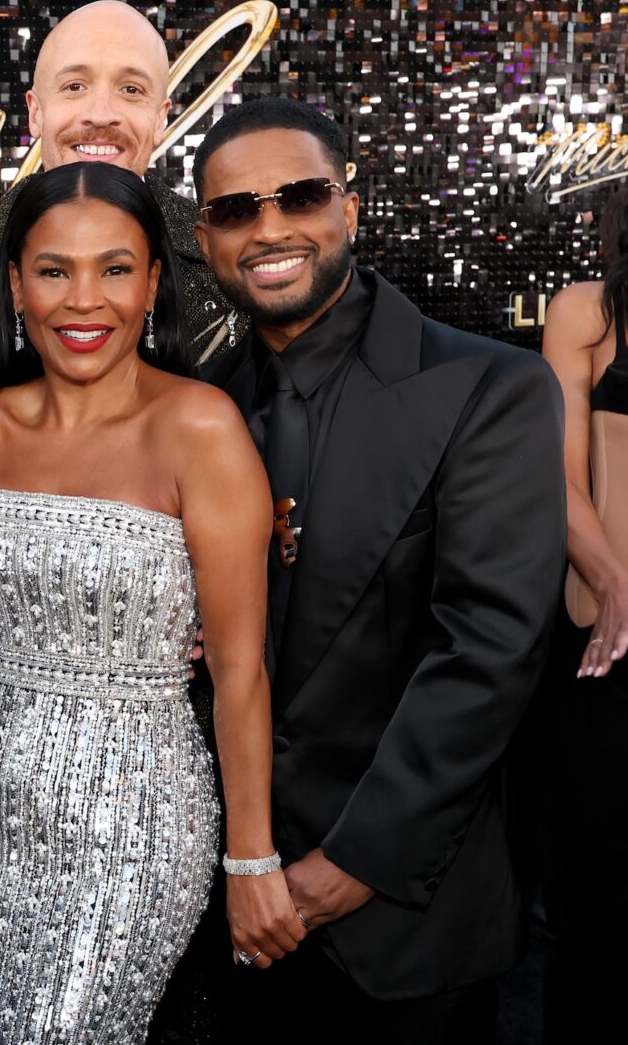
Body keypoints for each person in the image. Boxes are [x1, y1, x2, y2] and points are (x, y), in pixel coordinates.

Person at [193, 97, 565, 1041]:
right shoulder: (194, 410)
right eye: (237, 209)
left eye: (300, 195)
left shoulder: (490, 387)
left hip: (404, 918)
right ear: (204, 238)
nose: (269, 227)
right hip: (221, 923)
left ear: (349, 210)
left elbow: (489, 650)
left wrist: (348, 865)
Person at [0, 161, 299, 1042]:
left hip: (135, 821)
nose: (83, 301)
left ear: (155, 281)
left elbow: (240, 671)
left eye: (115, 269)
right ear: (15, 283)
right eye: (54, 270)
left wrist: (252, 856)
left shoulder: (199, 428)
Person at [0, 0, 235, 381]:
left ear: (160, 117)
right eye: (74, 86)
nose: (100, 114)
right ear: (35, 112)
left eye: (131, 89)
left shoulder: (226, 264)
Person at [538, 187, 628, 1043]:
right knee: (598, 909)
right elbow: (558, 479)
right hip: (611, 636)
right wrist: (615, 581)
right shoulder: (588, 314)